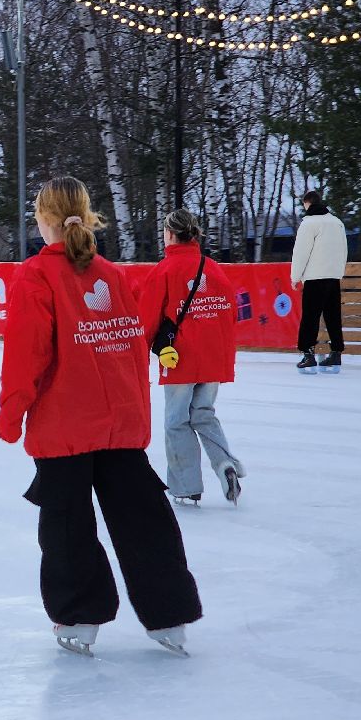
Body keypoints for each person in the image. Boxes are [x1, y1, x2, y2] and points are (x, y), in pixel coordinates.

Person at [0, 176, 202, 658]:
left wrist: (11, 415)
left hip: (65, 426)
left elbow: (27, 354)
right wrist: (134, 411)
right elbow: (131, 349)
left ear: (43, 220)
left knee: (66, 525)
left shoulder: (37, 275)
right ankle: (168, 615)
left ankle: (79, 617)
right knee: (144, 520)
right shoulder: (110, 274)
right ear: (86, 216)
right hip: (120, 426)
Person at [139, 209, 245, 507]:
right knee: (203, 414)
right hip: (214, 358)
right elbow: (232, 313)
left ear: (170, 235)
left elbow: (147, 319)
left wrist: (143, 351)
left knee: (177, 421)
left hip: (180, 358)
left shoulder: (164, 270)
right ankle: (226, 465)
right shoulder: (213, 267)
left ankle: (186, 487)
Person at [290, 189, 349, 374]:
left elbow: (300, 252)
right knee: (333, 316)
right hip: (333, 276)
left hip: (315, 277)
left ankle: (308, 354)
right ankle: (336, 352)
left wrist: (295, 277)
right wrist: (339, 271)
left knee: (310, 317)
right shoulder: (337, 222)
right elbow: (344, 249)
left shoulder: (309, 223)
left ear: (307, 203)